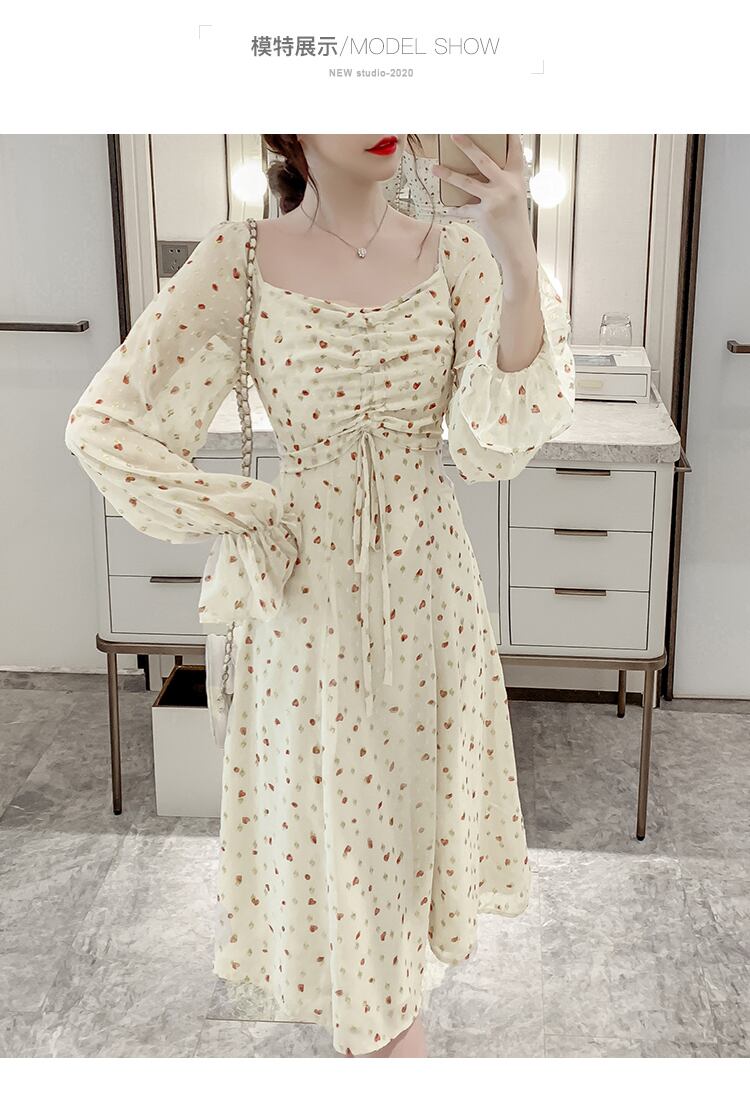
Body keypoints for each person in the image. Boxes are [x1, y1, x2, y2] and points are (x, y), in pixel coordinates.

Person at [64, 134, 575, 1058]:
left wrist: (515, 247)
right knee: (351, 885)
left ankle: (385, 1034)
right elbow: (107, 423)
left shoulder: (457, 254)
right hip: (310, 618)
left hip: (432, 607)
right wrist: (241, 511)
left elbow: (494, 443)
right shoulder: (241, 258)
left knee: (398, 884)